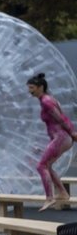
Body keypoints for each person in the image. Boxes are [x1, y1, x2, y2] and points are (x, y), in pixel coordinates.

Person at [29, 72, 75, 211]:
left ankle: (50, 198)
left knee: (41, 166)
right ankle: (62, 193)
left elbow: (61, 119)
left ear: (40, 87)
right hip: (60, 138)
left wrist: (72, 133)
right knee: (46, 166)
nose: (29, 91)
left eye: (32, 88)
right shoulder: (47, 99)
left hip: (62, 137)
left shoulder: (46, 101)